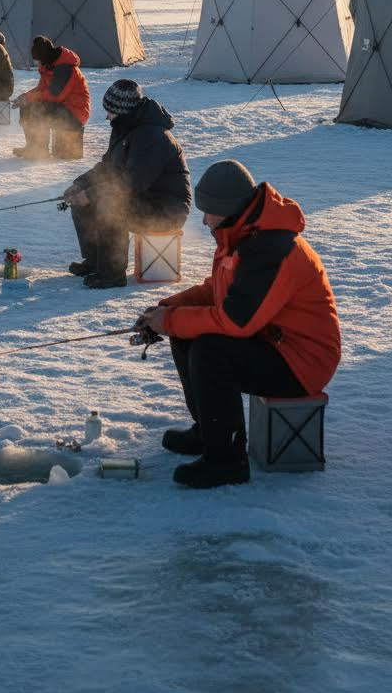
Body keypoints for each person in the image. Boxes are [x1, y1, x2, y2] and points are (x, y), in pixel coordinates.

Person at [134, 159, 341, 490]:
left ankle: (226, 461)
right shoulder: (244, 231)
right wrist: (167, 308)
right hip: (273, 341)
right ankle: (209, 432)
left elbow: (236, 321)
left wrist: (170, 320)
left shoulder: (271, 248)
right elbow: (217, 292)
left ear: (229, 209)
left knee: (211, 350)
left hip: (303, 361)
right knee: (188, 336)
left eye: (209, 211)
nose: (203, 220)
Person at [63, 80, 191, 290]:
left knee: (109, 205)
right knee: (81, 202)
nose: (107, 116)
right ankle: (95, 262)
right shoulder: (125, 128)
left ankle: (112, 273)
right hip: (144, 199)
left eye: (110, 112)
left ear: (124, 111)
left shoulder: (151, 136)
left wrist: (92, 195)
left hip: (167, 209)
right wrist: (81, 184)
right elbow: (108, 167)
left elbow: (132, 183)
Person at [12, 36, 91, 160]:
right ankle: (33, 147)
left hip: (75, 112)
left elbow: (55, 96)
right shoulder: (49, 67)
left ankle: (40, 151)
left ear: (45, 58)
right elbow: (41, 89)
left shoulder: (65, 69)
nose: (37, 63)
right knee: (27, 105)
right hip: (62, 107)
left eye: (38, 60)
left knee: (37, 108)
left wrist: (30, 97)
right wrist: (25, 97)